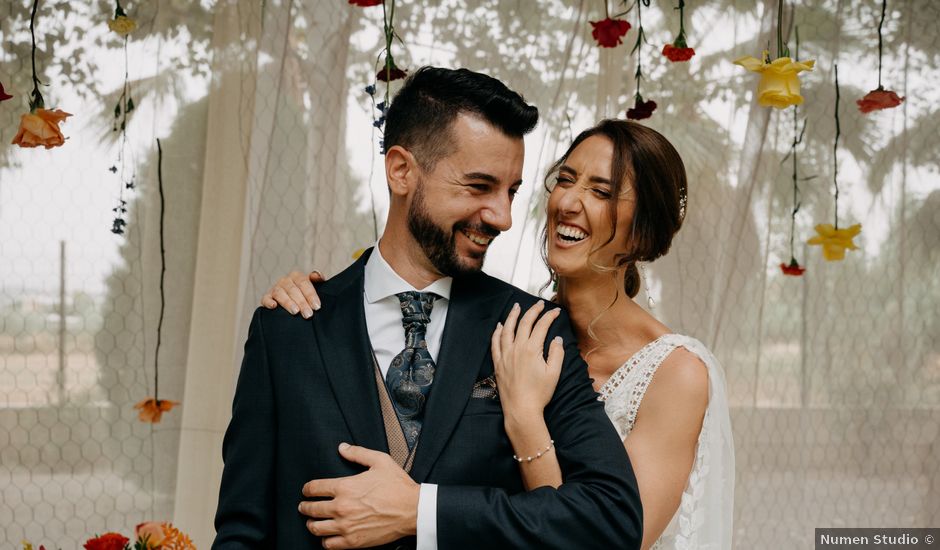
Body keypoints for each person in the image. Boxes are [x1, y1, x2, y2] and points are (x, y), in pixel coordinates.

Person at [213, 67, 643, 550]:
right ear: (401, 170)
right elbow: (241, 533)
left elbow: (612, 519)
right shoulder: (287, 329)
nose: (501, 216)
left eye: (511, 192)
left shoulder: (533, 330)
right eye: (479, 186)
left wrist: (424, 512)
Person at [266, 119, 735, 549]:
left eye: (602, 191)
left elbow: (611, 538)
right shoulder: (509, 323)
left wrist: (525, 418)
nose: (568, 203)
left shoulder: (677, 373)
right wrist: (334, 302)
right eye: (566, 180)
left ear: (642, 234)